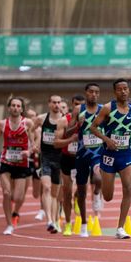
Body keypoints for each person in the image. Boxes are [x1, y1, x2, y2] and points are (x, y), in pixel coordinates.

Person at [89, 79, 131, 239]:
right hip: (108, 155)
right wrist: (106, 139)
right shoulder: (108, 108)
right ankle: (99, 188)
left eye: (126, 89)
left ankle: (120, 228)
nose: (123, 91)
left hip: (125, 154)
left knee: (128, 188)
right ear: (115, 92)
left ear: (129, 90)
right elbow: (92, 127)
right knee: (108, 197)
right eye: (120, 89)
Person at [0, 97, 37, 235]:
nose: (15, 108)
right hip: (6, 161)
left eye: (18, 106)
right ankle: (9, 224)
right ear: (9, 108)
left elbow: (34, 145)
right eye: (13, 105)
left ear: (21, 109)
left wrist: (29, 151)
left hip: (21, 163)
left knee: (17, 197)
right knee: (6, 193)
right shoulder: (2, 124)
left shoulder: (28, 123)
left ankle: (15, 212)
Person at [70, 83, 105, 233]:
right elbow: (67, 131)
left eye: (97, 92)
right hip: (82, 154)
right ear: (86, 93)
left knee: (98, 178)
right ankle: (84, 224)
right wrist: (78, 125)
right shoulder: (79, 110)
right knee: (82, 191)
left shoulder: (104, 109)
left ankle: (97, 194)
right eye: (91, 92)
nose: (94, 95)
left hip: (98, 152)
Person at [54, 94, 85, 236]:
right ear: (72, 105)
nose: (78, 107)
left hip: (82, 157)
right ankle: (67, 224)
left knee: (81, 189)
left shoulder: (90, 120)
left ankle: (78, 197)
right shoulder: (63, 121)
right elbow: (56, 143)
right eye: (76, 104)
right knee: (66, 192)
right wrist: (70, 139)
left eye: (81, 104)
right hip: (67, 158)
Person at [34, 95, 63, 233]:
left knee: (55, 194)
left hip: (59, 158)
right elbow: (30, 129)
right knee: (46, 187)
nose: (56, 105)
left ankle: (56, 220)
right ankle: (50, 220)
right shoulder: (41, 118)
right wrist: (34, 143)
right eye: (54, 102)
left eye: (58, 102)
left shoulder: (65, 119)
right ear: (49, 103)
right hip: (45, 157)